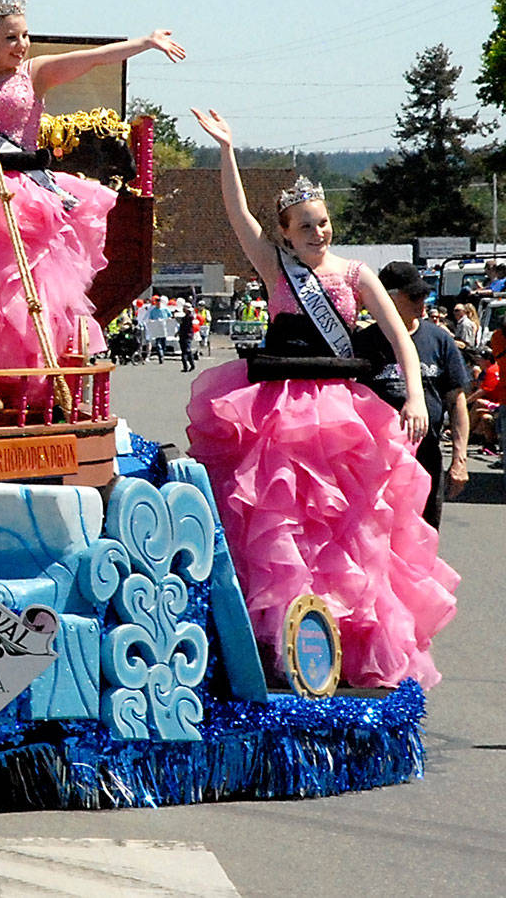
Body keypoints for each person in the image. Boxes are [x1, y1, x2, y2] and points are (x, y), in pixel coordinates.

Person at [184, 109, 457, 689]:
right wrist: (228, 151)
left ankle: (346, 638)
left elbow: (399, 338)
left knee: (351, 527)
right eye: (305, 226)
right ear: (284, 232)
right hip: (277, 408)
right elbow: (237, 213)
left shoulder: (357, 272)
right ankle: (281, 644)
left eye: (324, 223)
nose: (318, 233)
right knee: (281, 523)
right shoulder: (272, 265)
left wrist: (413, 397)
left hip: (341, 410)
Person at [0, 0, 185, 378]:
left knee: (28, 291)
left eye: (25, 36)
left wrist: (144, 42)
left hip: (24, 194)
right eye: (11, 38)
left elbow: (91, 60)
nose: (22, 45)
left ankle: (31, 375)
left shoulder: (34, 74)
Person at [356, 261, 470, 531]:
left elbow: (456, 402)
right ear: (389, 298)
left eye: (424, 294)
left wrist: (460, 460)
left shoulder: (439, 340)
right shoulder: (363, 343)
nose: (423, 301)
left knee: (422, 536)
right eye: (414, 296)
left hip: (425, 455)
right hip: (377, 462)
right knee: (376, 537)